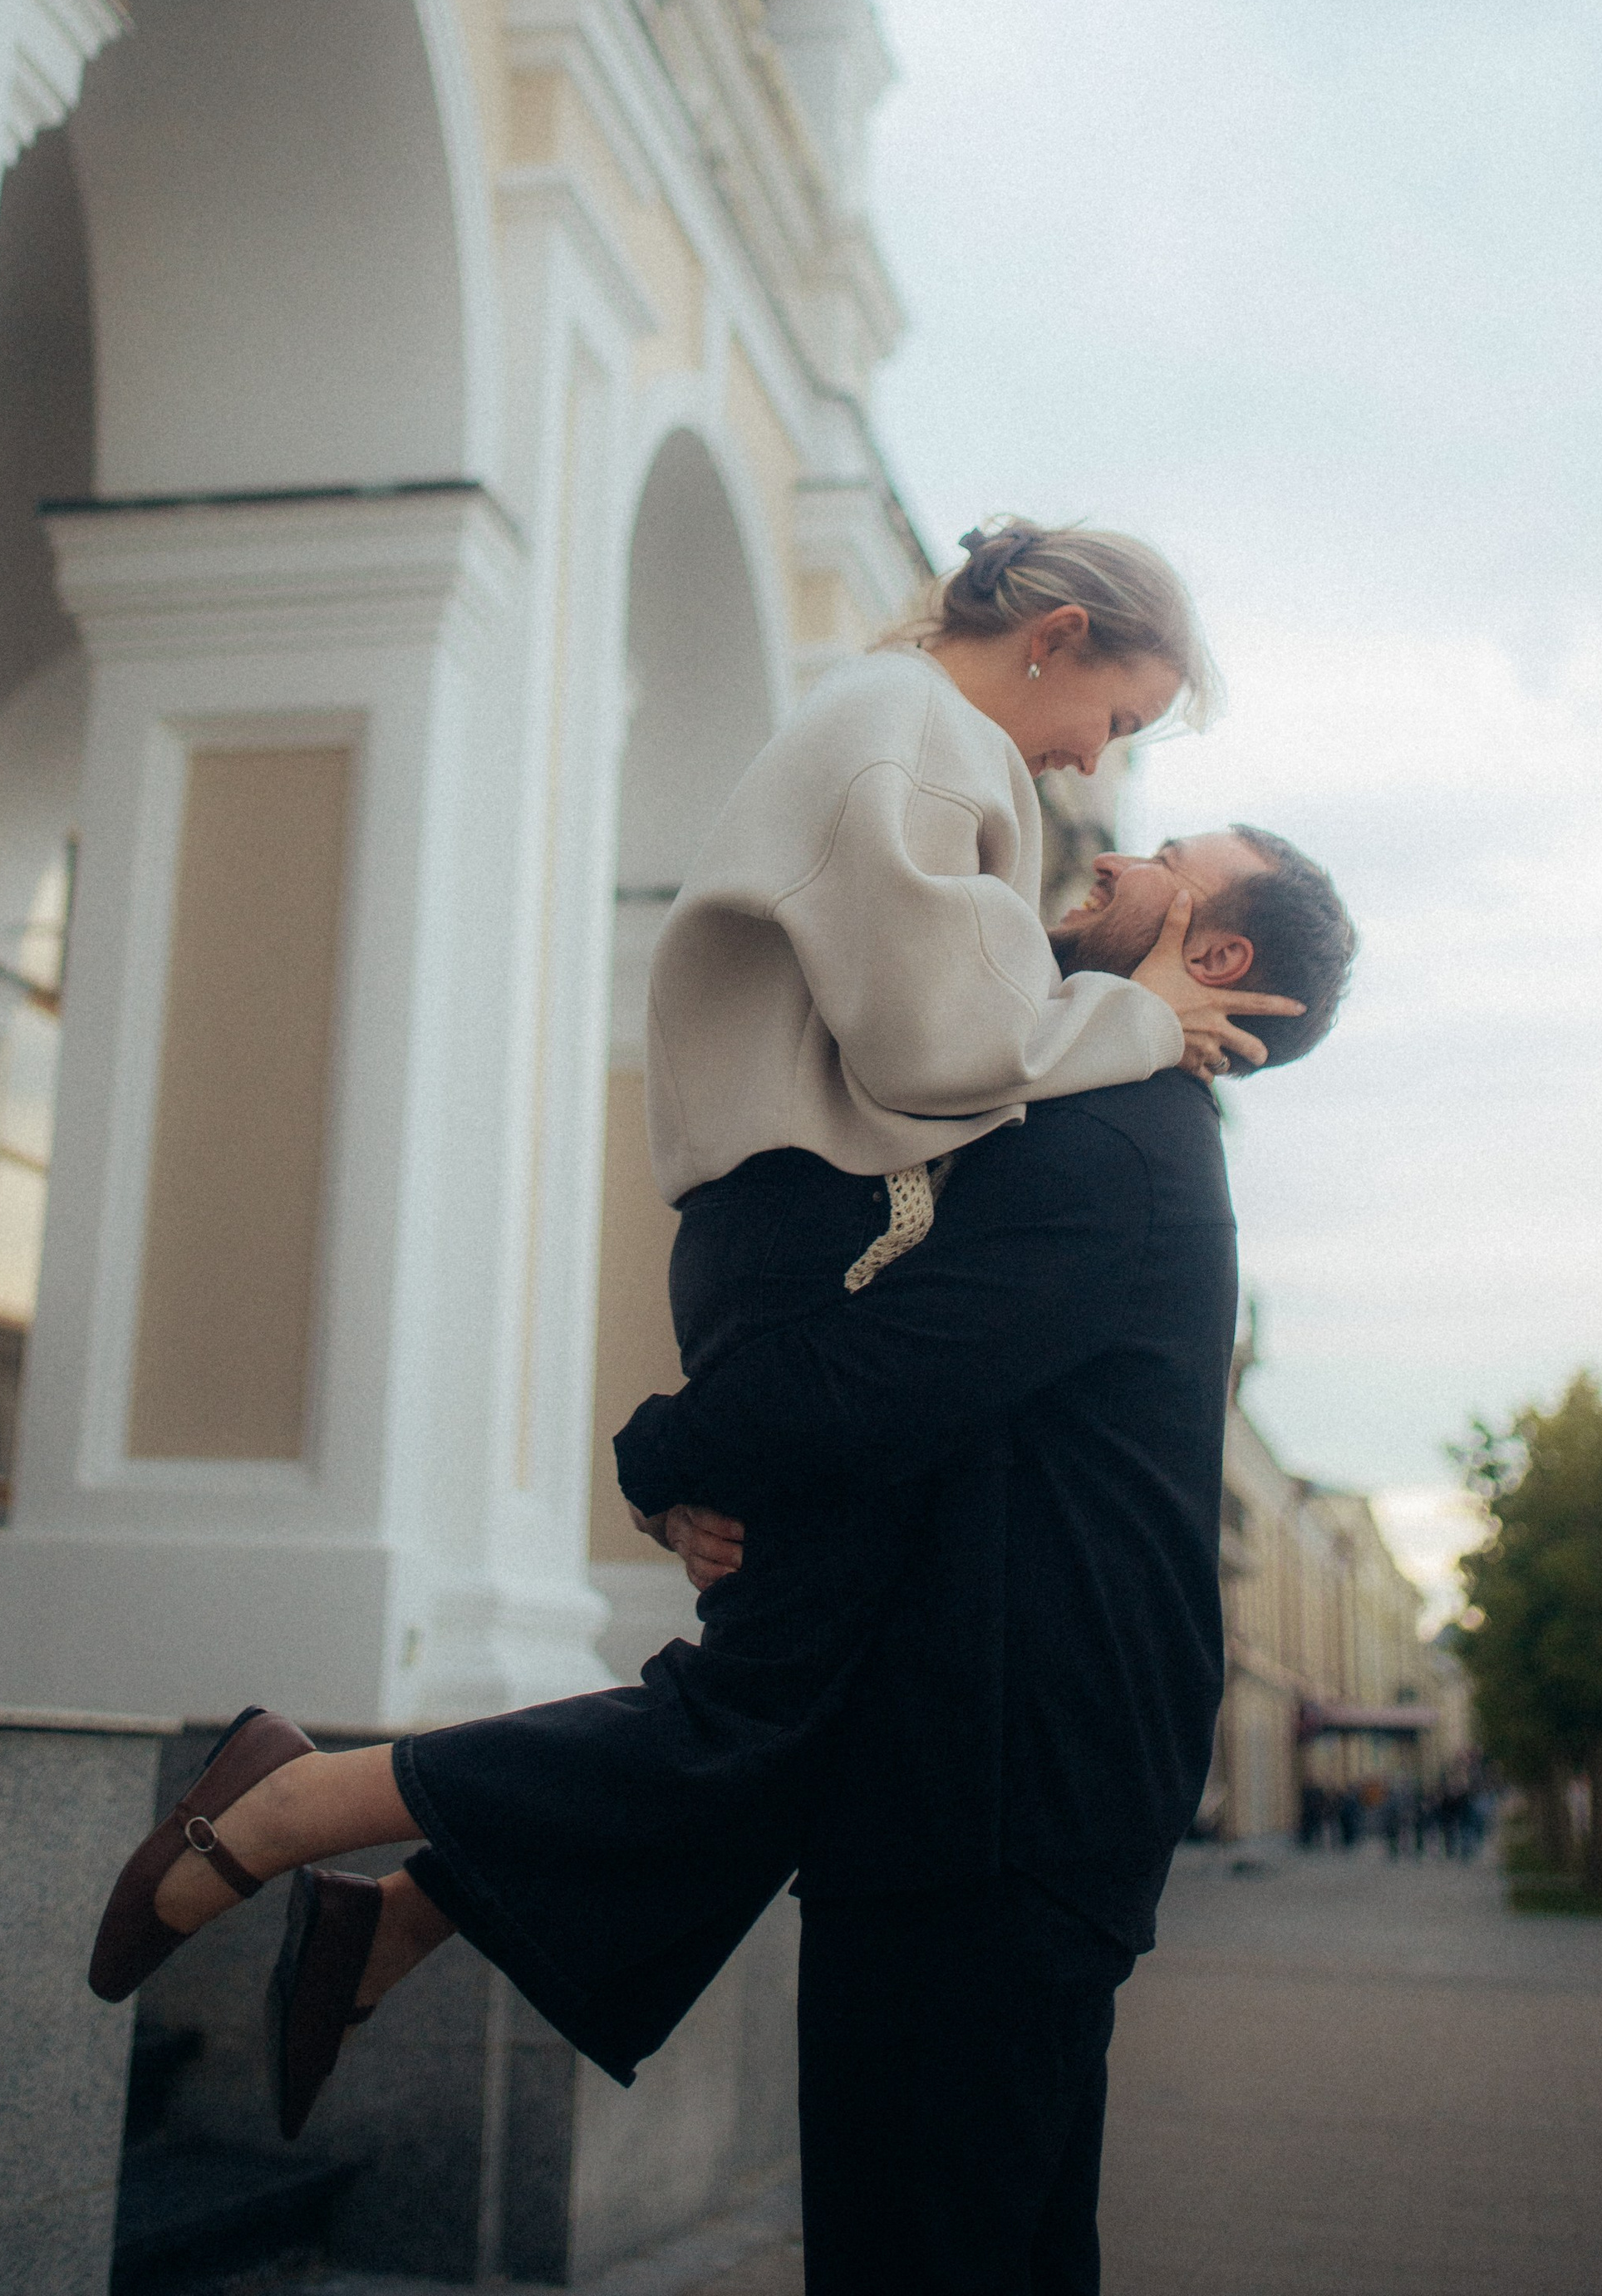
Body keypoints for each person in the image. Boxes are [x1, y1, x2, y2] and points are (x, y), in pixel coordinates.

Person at [85, 524, 1300, 2118]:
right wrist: (1137, 1018)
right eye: (1122, 716)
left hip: (779, 1219)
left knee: (811, 1700)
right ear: (1060, 636)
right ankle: (299, 1805)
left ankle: (398, 1915)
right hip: (807, 1224)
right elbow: (943, 1046)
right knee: (766, 1706)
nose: (1097, 766)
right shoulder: (928, 747)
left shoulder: (912, 736)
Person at [608, 829, 1357, 2293]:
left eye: (1172, 857)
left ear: (1212, 959)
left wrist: (660, 1450)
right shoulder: (1121, 1128)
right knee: (1002, 2244)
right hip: (1012, 1786)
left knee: (922, 2246)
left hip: (996, 1796)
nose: (1123, 846)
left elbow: (882, 1376)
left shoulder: (1113, 1141)